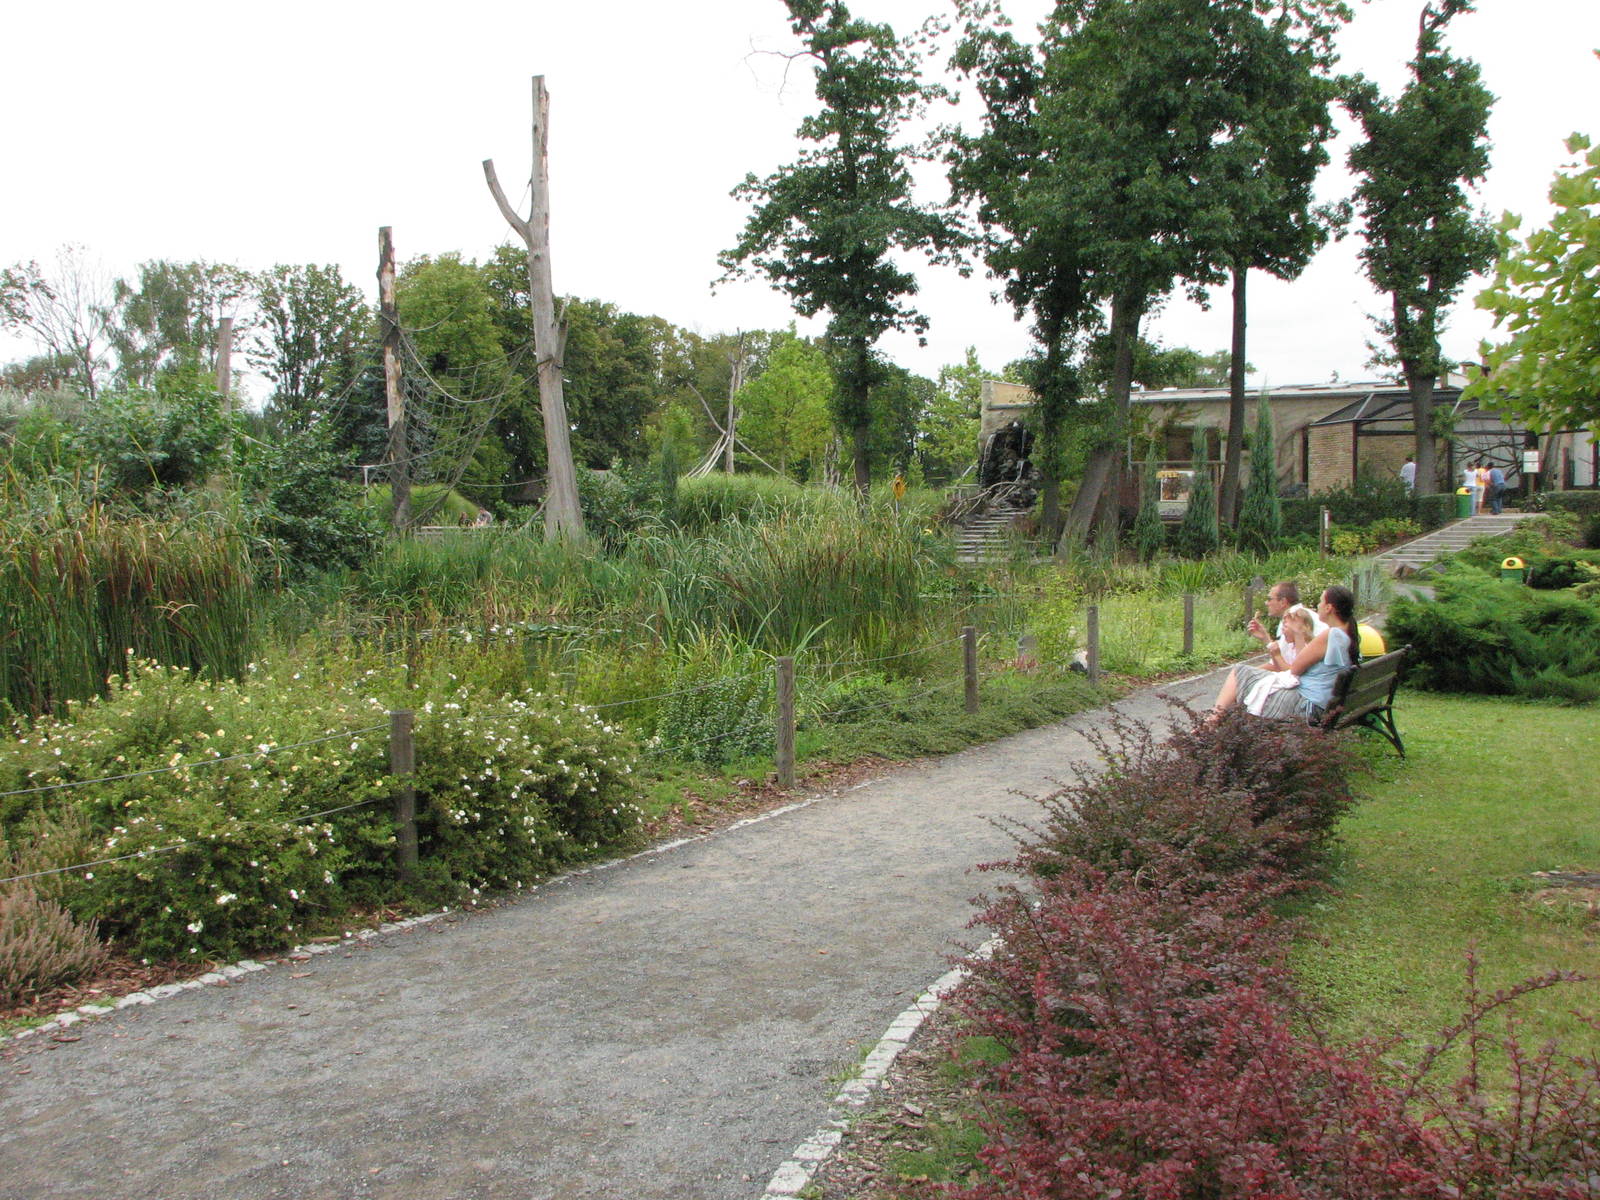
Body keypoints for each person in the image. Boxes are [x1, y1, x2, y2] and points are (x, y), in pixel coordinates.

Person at [1212, 585, 1358, 723]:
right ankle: (1214, 724)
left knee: (1239, 672)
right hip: (1323, 704)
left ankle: (1211, 723)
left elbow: (1294, 670)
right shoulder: (1347, 633)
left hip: (1306, 706)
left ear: (1329, 608)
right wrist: (1295, 635)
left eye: (1320, 601)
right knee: (1246, 676)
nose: (1318, 605)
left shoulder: (1331, 635)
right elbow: (1303, 666)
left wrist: (1289, 639)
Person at [1242, 608, 1315, 716]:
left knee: (1242, 673)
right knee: (1243, 673)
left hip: (1299, 692)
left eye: (1285, 626)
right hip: (1293, 687)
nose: (1282, 630)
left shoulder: (1306, 646)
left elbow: (1293, 674)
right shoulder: (1291, 645)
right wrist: (1266, 639)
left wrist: (1277, 655)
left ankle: (1218, 715)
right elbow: (1278, 666)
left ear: (1300, 628)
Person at [1245, 579, 1324, 666]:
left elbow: (1284, 666)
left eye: (1269, 599)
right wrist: (1265, 638)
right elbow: (1280, 662)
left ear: (1283, 602)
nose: (1266, 603)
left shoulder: (1293, 618)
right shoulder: (1300, 613)